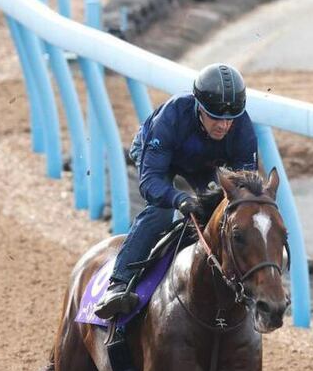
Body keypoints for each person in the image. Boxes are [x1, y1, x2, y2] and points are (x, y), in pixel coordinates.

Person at [94, 63, 259, 320]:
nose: (224, 126)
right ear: (198, 107)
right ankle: (119, 283)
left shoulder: (242, 128)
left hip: (205, 166)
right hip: (161, 160)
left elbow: (245, 190)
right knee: (161, 211)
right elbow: (150, 182)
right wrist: (178, 198)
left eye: (230, 119)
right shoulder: (173, 115)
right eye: (215, 117)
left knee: (215, 215)